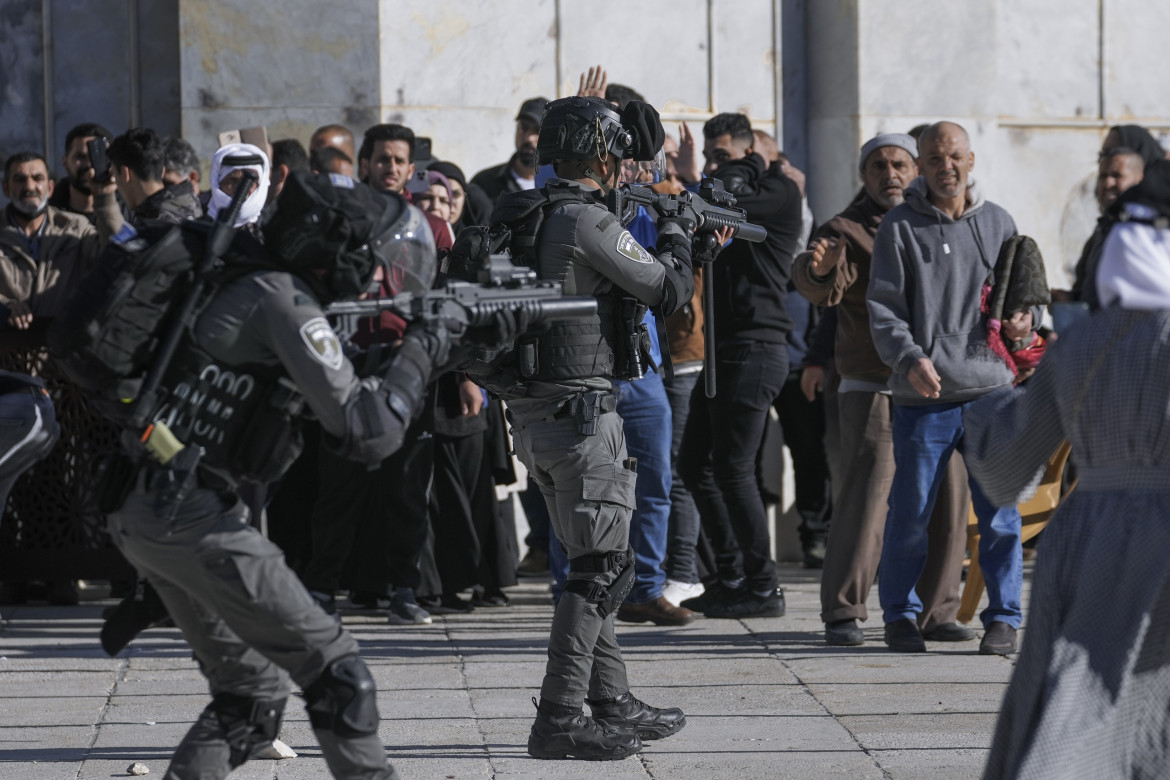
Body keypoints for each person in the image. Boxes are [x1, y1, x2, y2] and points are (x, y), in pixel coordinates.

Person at [97, 170, 467, 779]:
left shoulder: (248, 280)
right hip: (191, 512)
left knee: (249, 692)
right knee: (340, 675)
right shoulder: (281, 298)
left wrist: (428, 344)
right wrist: (426, 347)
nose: (378, 277)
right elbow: (369, 431)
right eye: (372, 262)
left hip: (147, 501)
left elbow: (332, 381)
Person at [479, 95, 698, 760]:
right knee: (603, 568)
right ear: (601, 152)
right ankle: (558, 717)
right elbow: (666, 289)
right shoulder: (583, 218)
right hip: (580, 417)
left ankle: (610, 702)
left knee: (594, 560)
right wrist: (685, 233)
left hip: (537, 413)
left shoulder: (521, 212)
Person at [964, 162, 1170, 779]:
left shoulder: (1081, 343)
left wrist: (992, 403)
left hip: (1090, 538)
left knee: (1080, 696)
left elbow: (1004, 474)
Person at [793, 133, 973, 647]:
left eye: (898, 164)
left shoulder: (942, 221)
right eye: (877, 166)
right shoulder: (846, 229)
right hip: (875, 384)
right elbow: (818, 280)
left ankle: (937, 611)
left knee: (947, 495)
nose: (888, 174)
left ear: (915, 170)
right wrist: (816, 269)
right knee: (868, 496)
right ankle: (845, 610)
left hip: (943, 387)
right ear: (864, 176)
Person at [867, 121, 1032, 655]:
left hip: (993, 392)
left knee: (1001, 517)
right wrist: (909, 357)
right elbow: (884, 310)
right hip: (926, 397)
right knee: (910, 516)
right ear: (921, 164)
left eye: (954, 156)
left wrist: (1023, 322)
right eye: (934, 158)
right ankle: (899, 616)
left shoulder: (1000, 221)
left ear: (972, 158)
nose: (946, 167)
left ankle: (1004, 618)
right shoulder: (898, 227)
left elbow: (1023, 301)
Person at [677, 112, 803, 619]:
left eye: (726, 156)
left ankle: (762, 585)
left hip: (757, 347)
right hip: (720, 349)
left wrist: (701, 177)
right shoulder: (726, 189)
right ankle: (730, 575)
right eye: (711, 156)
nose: (717, 167)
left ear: (758, 155)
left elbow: (716, 200)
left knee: (732, 467)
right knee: (694, 464)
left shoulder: (779, 192)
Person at [0, 152, 103, 329]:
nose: (29, 186)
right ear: (6, 189)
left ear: (50, 188)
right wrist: (4, 305)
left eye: (37, 178)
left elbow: (113, 255)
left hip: (62, 350)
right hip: (8, 351)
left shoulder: (76, 228)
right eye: (20, 180)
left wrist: (106, 199)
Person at [1070, 145, 1147, 310]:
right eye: (1103, 176)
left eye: (1117, 176)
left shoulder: (1146, 232)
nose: (1107, 183)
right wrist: (1069, 299)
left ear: (1139, 179)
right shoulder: (1101, 230)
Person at [93, 127, 203, 235]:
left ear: (126, 173)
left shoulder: (155, 225)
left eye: (115, 176)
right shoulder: (187, 202)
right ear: (162, 171)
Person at [470, 97, 547, 204]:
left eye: (538, 130)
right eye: (524, 128)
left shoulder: (561, 185)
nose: (529, 138)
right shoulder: (484, 184)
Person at [47, 122, 114, 222]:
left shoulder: (129, 210)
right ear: (65, 162)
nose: (89, 165)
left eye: (96, 158)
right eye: (81, 157)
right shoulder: (47, 213)